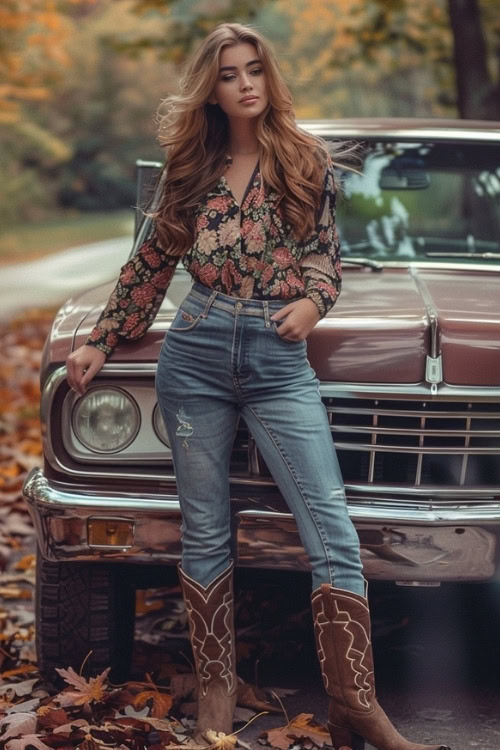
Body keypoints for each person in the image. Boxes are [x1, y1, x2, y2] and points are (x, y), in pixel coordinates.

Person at [66, 22, 451, 750]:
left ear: (270, 78)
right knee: (207, 532)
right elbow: (149, 265)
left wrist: (311, 302)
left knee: (331, 531)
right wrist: (99, 340)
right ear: (209, 88)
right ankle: (216, 695)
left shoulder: (304, 160)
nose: (245, 83)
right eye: (228, 74)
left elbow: (326, 255)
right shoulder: (190, 170)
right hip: (198, 351)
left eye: (254, 70)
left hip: (278, 358)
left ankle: (356, 707)